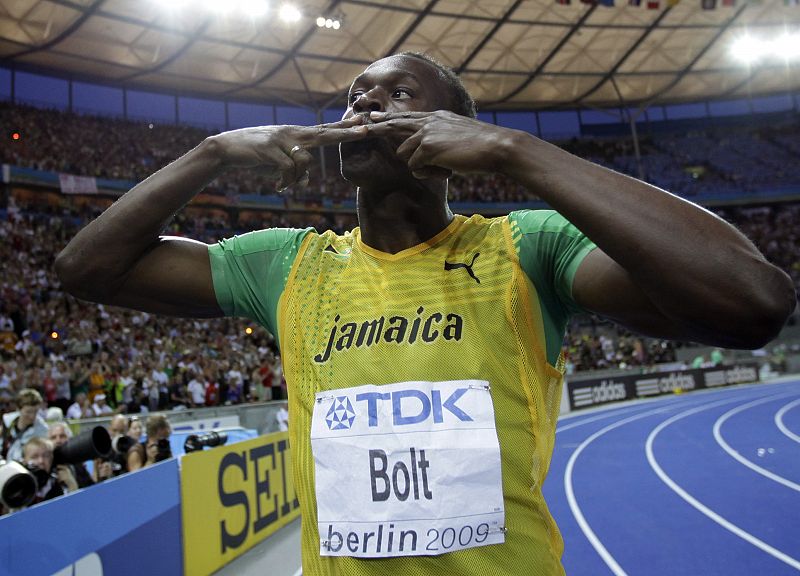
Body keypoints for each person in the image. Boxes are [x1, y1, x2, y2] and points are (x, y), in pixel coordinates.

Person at [56, 53, 794, 575]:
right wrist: (212, 152)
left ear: (454, 132)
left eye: (398, 92)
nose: (364, 106)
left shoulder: (526, 249)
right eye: (355, 96)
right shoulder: (286, 263)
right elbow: (87, 269)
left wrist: (513, 150)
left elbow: (753, 302)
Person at [21, 437, 79, 506]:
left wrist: (71, 485)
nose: (41, 461)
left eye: (46, 456)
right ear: (24, 461)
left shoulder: (61, 483)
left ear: (52, 458)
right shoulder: (20, 488)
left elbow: (76, 507)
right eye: (34, 457)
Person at [1, 388, 49, 462]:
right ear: (19, 409)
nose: (32, 416)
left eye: (35, 411)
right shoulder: (7, 421)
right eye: (28, 412)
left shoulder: (42, 429)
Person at [47, 421, 94, 488]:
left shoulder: (77, 463)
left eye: (62, 436)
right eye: (53, 437)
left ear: (69, 439)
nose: (58, 441)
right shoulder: (46, 466)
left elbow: (90, 487)